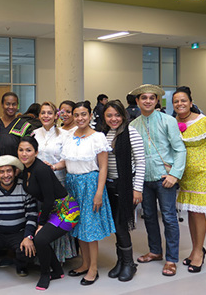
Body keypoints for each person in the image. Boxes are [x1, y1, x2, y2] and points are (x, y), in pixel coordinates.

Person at [53, 101, 115, 286]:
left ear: (90, 116)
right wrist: (54, 166)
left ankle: (93, 268)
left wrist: (98, 193)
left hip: (90, 184)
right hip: (72, 184)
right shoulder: (70, 136)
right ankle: (85, 263)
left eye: (83, 114)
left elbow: (104, 167)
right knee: (78, 225)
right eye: (77, 114)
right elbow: (67, 160)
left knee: (90, 228)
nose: (80, 118)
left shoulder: (98, 137)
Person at [129, 84, 186, 277]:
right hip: (143, 179)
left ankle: (171, 259)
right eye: (143, 97)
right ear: (137, 101)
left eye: (151, 98)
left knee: (169, 218)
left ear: (156, 101)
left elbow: (180, 150)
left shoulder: (168, 120)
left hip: (165, 179)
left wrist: (174, 174)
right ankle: (155, 250)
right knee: (150, 217)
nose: (147, 101)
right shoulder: (132, 125)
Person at [18, 136, 80, 291]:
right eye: (21, 150)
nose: (24, 153)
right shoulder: (26, 169)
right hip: (52, 209)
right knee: (38, 238)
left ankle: (45, 274)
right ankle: (58, 271)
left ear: (36, 152)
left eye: (28, 150)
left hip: (67, 210)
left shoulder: (41, 169)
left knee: (39, 239)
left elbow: (49, 198)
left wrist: (41, 223)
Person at [173, 86, 206, 273]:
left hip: (204, 172)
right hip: (185, 174)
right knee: (190, 211)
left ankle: (198, 254)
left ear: (191, 103)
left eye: (183, 100)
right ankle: (196, 249)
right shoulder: (173, 122)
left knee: (197, 212)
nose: (180, 104)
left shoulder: (203, 121)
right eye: (176, 101)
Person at [102, 100, 146, 282]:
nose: (114, 119)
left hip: (125, 186)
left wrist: (137, 189)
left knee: (121, 226)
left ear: (123, 115)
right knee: (115, 225)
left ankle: (129, 264)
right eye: (109, 115)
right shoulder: (103, 133)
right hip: (108, 185)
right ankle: (121, 262)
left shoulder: (131, 132)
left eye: (117, 115)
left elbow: (141, 162)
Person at [33, 101, 77, 263]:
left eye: (49, 113)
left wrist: (53, 167)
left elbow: (67, 158)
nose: (46, 116)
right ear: (39, 116)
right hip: (39, 185)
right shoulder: (34, 134)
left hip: (59, 182)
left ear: (55, 115)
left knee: (57, 220)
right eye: (43, 113)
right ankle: (41, 257)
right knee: (42, 218)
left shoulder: (64, 135)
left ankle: (58, 257)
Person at [0, 92, 33, 157]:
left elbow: (29, 149)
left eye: (14, 104)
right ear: (2, 105)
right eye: (7, 104)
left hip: (17, 165)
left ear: (17, 105)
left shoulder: (24, 125)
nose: (11, 107)